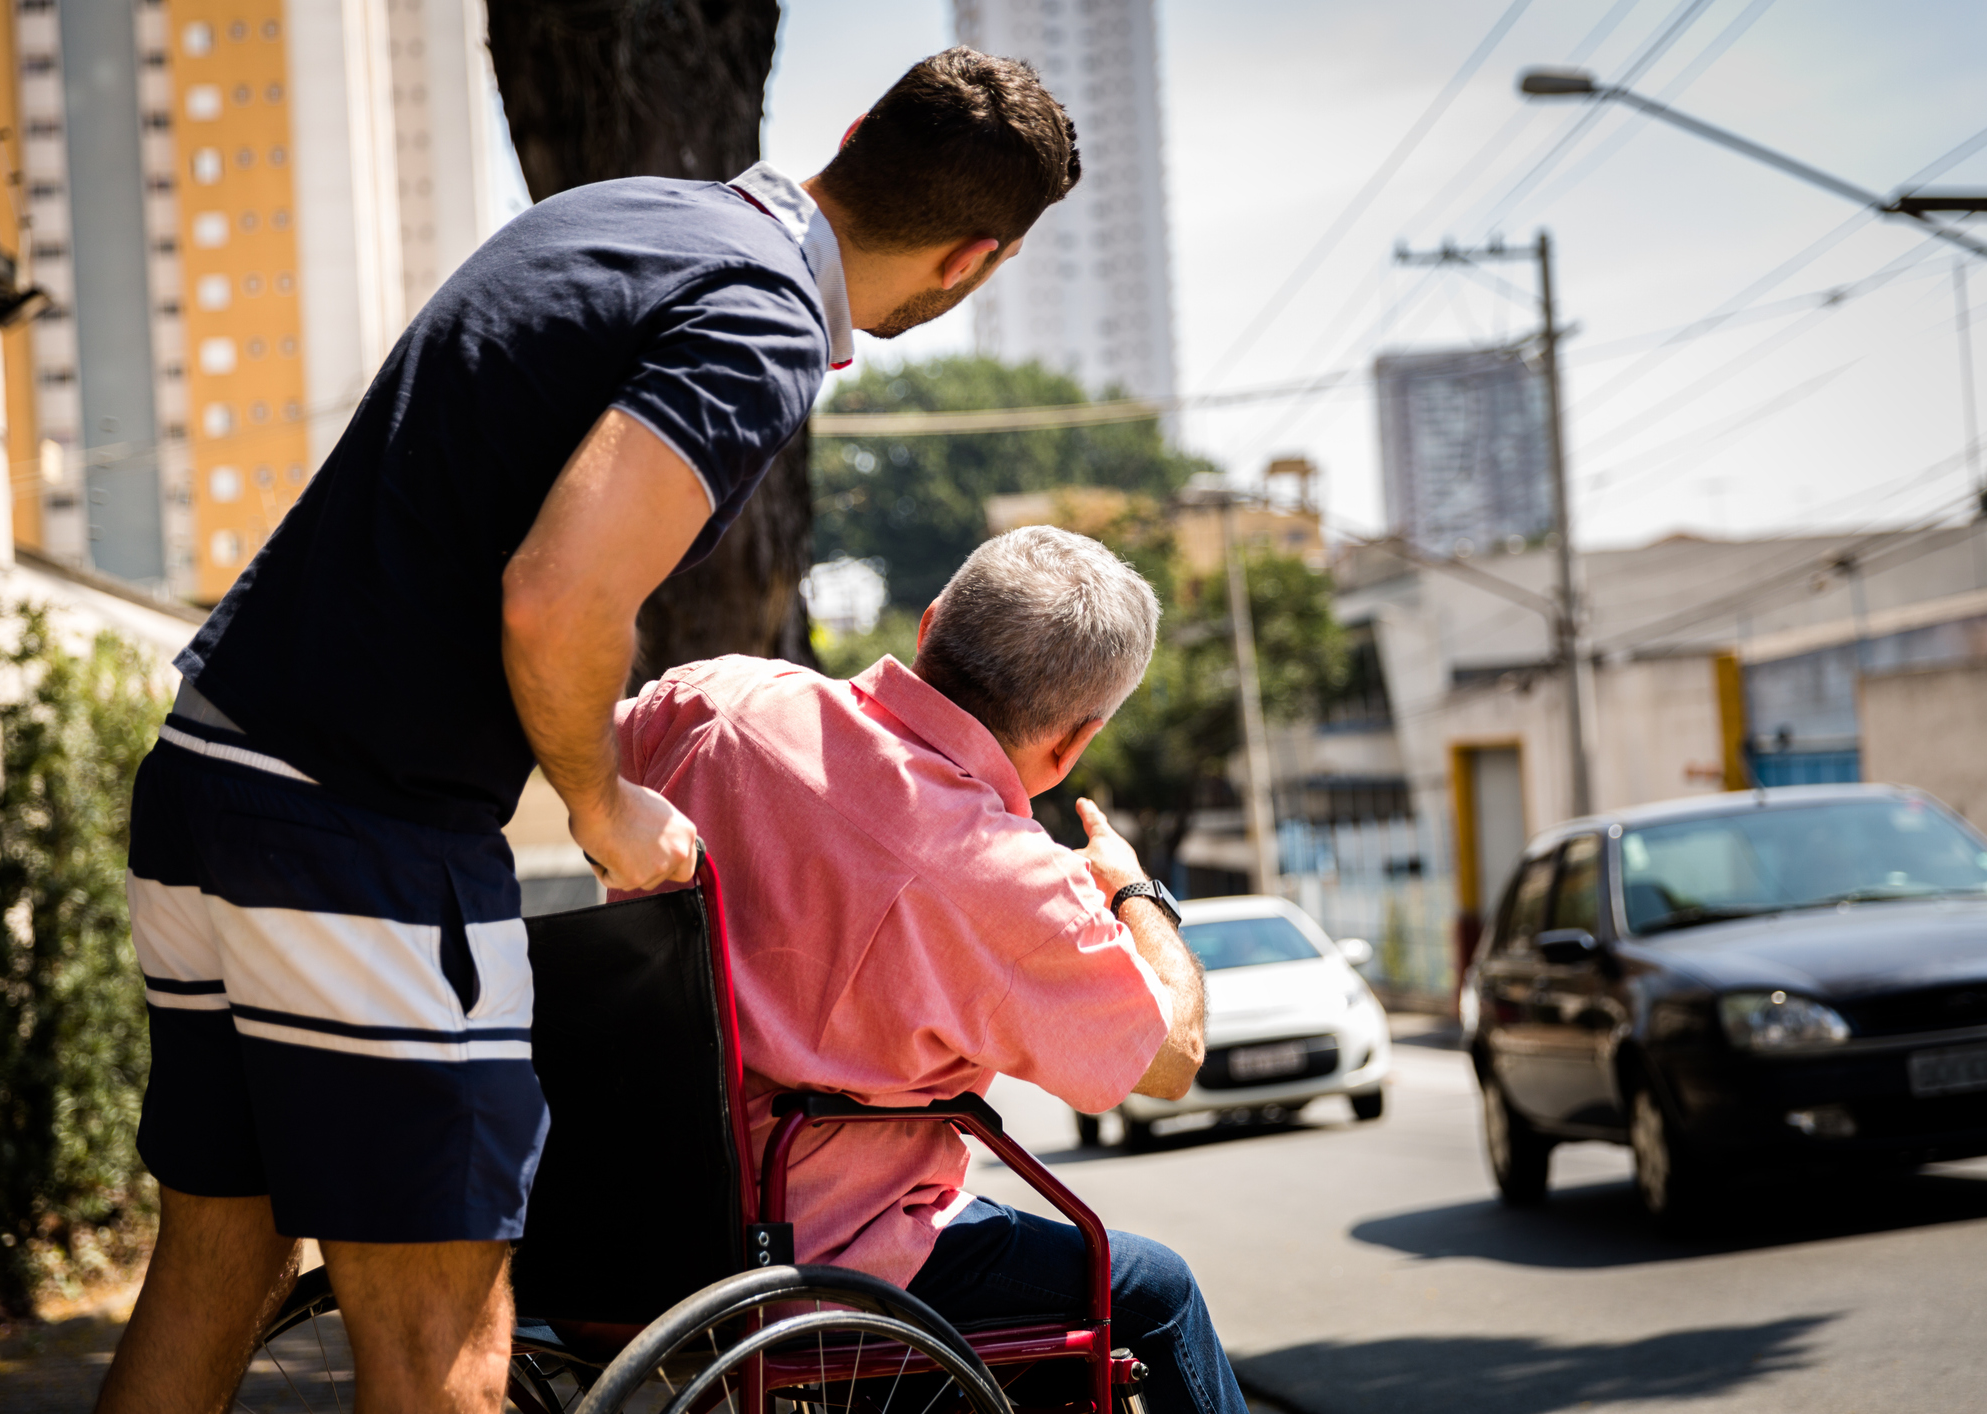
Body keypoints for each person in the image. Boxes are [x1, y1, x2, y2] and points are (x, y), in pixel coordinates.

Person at [97, 49, 1081, 1414]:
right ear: (973, 260)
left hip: (208, 772)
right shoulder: (761, 316)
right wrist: (605, 804)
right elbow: (560, 595)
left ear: (851, 132)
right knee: (447, 1335)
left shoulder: (625, 215)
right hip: (359, 829)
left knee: (212, 1266)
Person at [614, 527, 1250, 1414]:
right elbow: (1173, 1058)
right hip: (826, 1258)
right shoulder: (1012, 879)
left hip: (614, 1224)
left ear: (929, 627)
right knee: (1154, 1290)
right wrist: (1133, 891)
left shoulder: (725, 698)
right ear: (1076, 743)